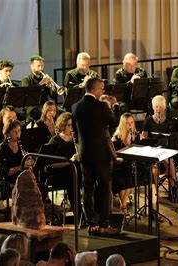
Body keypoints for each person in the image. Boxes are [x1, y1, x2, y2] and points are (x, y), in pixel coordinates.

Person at [71, 77, 118, 236]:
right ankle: (104, 224)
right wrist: (114, 106)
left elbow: (76, 131)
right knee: (104, 188)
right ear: (96, 89)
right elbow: (113, 122)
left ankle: (91, 224)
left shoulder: (75, 107)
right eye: (102, 89)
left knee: (88, 189)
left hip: (84, 154)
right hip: (101, 155)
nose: (103, 92)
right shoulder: (102, 106)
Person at [141, 95, 177, 202]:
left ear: (164, 108)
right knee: (154, 167)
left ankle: (173, 190)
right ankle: (154, 192)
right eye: (156, 107)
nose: (158, 109)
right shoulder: (148, 120)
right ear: (153, 108)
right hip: (152, 150)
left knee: (170, 164)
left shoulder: (168, 121)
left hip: (165, 150)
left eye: (161, 107)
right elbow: (144, 137)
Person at [0, 120, 34, 211]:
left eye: (19, 131)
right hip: (5, 181)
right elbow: (3, 173)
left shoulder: (22, 145)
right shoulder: (1, 150)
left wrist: (31, 161)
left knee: (38, 186)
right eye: (14, 131)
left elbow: (32, 162)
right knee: (23, 188)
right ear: (7, 133)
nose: (17, 133)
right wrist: (21, 166)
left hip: (20, 177)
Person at [47, 112, 81, 212]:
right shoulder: (55, 140)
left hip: (74, 172)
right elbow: (51, 164)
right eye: (69, 125)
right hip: (58, 174)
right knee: (72, 178)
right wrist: (70, 161)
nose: (71, 128)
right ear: (62, 126)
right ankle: (78, 212)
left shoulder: (75, 139)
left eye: (72, 125)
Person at [111, 113, 143, 217]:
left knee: (131, 175)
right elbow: (112, 155)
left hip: (132, 164)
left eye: (131, 123)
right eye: (127, 123)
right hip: (118, 165)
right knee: (123, 177)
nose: (130, 125)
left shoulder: (137, 136)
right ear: (122, 124)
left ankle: (123, 205)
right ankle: (123, 205)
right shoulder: (116, 137)